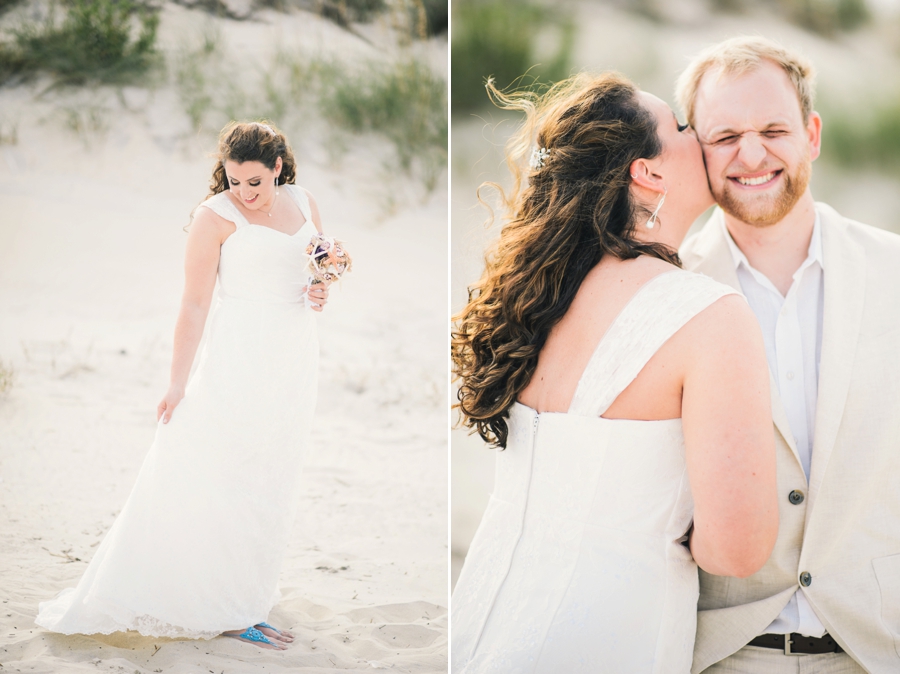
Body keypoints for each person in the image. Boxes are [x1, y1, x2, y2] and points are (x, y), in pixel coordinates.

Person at [450, 73, 779, 673]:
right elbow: (738, 549)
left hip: (486, 618)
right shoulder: (707, 317)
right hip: (610, 634)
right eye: (682, 127)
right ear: (648, 173)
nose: (699, 133)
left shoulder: (534, 300)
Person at [35, 121, 330, 650]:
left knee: (271, 474)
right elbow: (194, 304)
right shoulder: (213, 217)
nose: (245, 193)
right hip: (239, 355)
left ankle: (247, 593)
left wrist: (319, 289)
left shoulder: (305, 202)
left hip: (294, 356)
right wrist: (177, 383)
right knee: (224, 471)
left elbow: (314, 272)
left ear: (279, 168)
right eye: (236, 181)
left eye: (256, 182)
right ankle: (220, 606)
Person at [676, 36, 900, 674]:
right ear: (698, 149)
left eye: (774, 129)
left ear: (813, 134)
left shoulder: (896, 271)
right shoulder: (668, 292)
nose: (752, 155)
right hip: (721, 656)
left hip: (876, 651)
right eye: (725, 137)